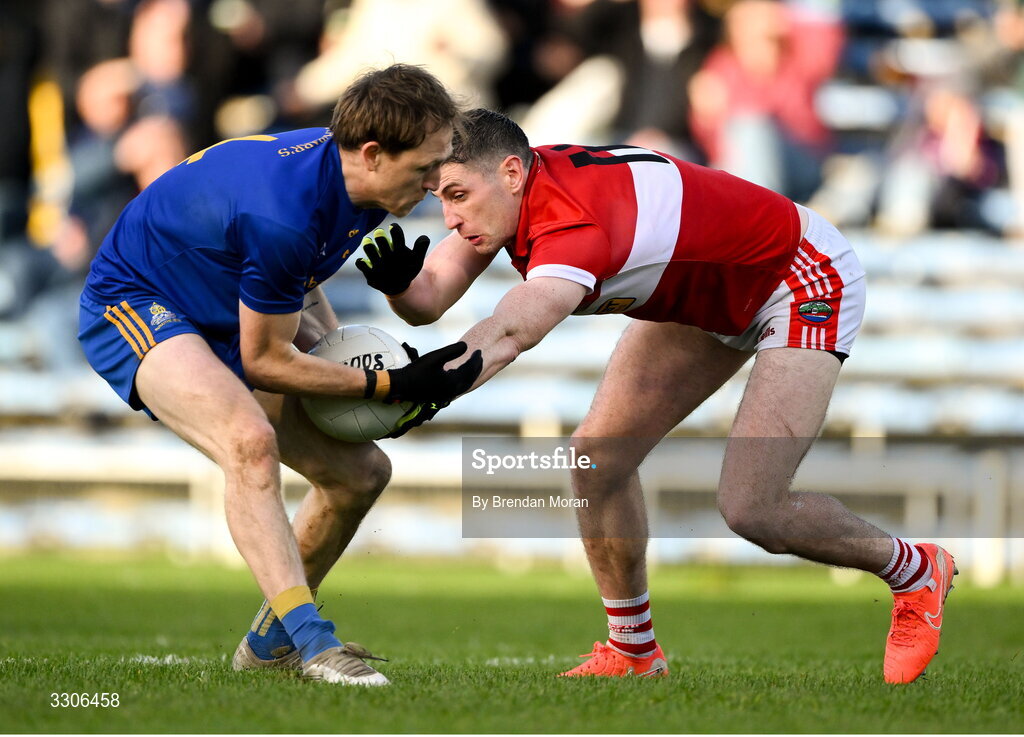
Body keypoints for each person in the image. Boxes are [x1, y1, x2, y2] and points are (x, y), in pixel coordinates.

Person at [357, 108, 956, 684]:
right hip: (709, 290)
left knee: (753, 508)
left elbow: (511, 333)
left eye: (455, 195)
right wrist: (398, 288)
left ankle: (915, 568)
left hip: (797, 276)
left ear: (512, 172)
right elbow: (431, 297)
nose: (449, 218)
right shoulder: (508, 192)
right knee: (597, 460)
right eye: (439, 197)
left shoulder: (573, 225)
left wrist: (418, 392)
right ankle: (634, 651)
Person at [77, 64, 481, 686]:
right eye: (424, 168)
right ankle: (316, 645)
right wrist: (388, 385)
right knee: (248, 442)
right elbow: (267, 359)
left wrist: (383, 379)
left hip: (225, 308)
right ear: (372, 154)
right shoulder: (284, 212)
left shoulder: (361, 190)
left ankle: (269, 647)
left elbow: (297, 291)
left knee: (361, 473)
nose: (433, 184)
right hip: (138, 302)